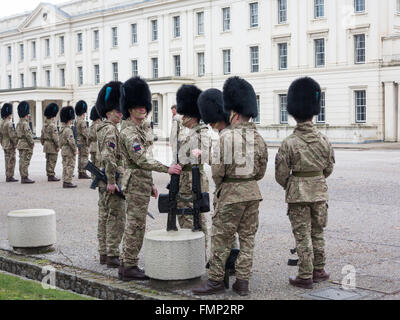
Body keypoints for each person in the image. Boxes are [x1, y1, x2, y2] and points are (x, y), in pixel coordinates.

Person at [192, 76, 268, 296]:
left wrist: (224, 186)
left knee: (221, 238)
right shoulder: (259, 138)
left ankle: (215, 280)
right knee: (247, 240)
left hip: (231, 194)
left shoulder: (226, 138)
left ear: (233, 113)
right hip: (253, 193)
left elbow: (218, 171)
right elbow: (261, 171)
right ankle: (242, 281)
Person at [118, 76, 182, 281]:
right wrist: (167, 169)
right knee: (135, 226)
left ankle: (125, 262)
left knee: (136, 224)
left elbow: (145, 161)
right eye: (137, 107)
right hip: (135, 182)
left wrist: (151, 184)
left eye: (143, 106)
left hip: (141, 182)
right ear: (129, 108)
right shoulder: (128, 132)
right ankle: (129, 265)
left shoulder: (139, 128)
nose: (142, 109)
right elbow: (142, 159)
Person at [275, 77, 335, 289]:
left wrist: (293, 183)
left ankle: (305, 275)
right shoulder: (325, 139)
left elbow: (281, 174)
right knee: (318, 232)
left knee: (302, 235)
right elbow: (329, 168)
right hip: (319, 191)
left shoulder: (288, 142)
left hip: (298, 193)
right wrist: (316, 178)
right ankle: (319, 269)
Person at [94, 81, 126, 268]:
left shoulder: (101, 128)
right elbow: (109, 157)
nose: (120, 115)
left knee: (104, 216)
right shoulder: (111, 130)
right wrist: (113, 181)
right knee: (116, 218)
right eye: (117, 112)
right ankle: (112, 254)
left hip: (102, 180)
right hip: (110, 180)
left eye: (121, 111)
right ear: (108, 113)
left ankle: (104, 253)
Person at [175, 85, 210, 251]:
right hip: (185, 180)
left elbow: (204, 153)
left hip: (192, 180)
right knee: (187, 216)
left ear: (192, 116)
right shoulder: (189, 133)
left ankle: (195, 256)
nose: (182, 119)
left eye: (185, 115)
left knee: (194, 219)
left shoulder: (201, 132)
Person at [16, 101, 35, 184]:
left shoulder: (18, 123)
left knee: (21, 161)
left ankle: (23, 176)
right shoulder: (25, 124)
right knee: (25, 161)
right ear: (26, 114)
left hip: (20, 144)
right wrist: (32, 143)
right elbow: (28, 135)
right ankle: (25, 177)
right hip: (26, 144)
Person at [41, 103, 61, 182]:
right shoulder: (52, 125)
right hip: (52, 145)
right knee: (52, 160)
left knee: (48, 160)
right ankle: (51, 175)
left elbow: (42, 135)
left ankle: (49, 174)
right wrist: (58, 145)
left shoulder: (44, 124)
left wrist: (43, 143)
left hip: (46, 144)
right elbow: (55, 137)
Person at [60, 106, 78, 189]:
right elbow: (71, 141)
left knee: (65, 166)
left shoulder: (62, 129)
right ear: (69, 120)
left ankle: (65, 180)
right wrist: (75, 150)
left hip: (64, 150)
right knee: (70, 165)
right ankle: (68, 181)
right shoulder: (68, 130)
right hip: (69, 150)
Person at [1, 103, 18, 182]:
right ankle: (10, 176)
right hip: (10, 144)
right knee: (11, 160)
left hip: (4, 144)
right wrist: (16, 143)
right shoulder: (9, 123)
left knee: (6, 160)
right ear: (9, 114)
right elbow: (12, 136)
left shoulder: (1, 123)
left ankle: (7, 175)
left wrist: (2, 143)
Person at [75, 100, 91, 179]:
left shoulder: (77, 120)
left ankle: (80, 171)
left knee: (80, 157)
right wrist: (89, 141)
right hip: (83, 141)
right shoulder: (82, 122)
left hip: (78, 141)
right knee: (84, 156)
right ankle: (83, 172)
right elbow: (85, 133)